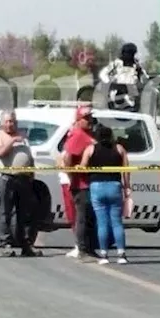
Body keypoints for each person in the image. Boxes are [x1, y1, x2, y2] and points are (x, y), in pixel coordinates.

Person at [0, 111, 42, 257]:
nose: (10, 124)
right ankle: (6, 243)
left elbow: (29, 155)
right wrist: (12, 140)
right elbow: (0, 152)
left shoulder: (23, 137)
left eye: (12, 121)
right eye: (7, 121)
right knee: (5, 211)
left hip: (24, 178)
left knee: (24, 213)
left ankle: (26, 244)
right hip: (8, 178)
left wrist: (31, 172)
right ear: (2, 123)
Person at [80, 123, 130, 264]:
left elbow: (83, 167)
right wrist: (127, 186)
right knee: (116, 222)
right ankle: (121, 254)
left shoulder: (90, 149)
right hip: (114, 186)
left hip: (96, 187)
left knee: (102, 223)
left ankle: (103, 254)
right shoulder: (119, 149)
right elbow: (127, 169)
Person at [59, 105, 98, 259]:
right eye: (86, 118)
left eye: (90, 117)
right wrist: (71, 175)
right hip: (81, 184)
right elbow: (68, 156)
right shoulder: (78, 135)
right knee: (81, 217)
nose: (90, 120)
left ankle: (89, 248)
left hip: (90, 183)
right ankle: (82, 248)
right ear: (78, 120)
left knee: (89, 218)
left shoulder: (88, 134)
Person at [98, 43, 149, 111]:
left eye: (131, 54)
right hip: (117, 92)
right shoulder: (117, 63)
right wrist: (109, 84)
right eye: (127, 53)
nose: (129, 56)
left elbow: (145, 78)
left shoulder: (136, 65)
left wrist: (141, 81)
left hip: (132, 93)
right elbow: (103, 73)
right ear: (123, 53)